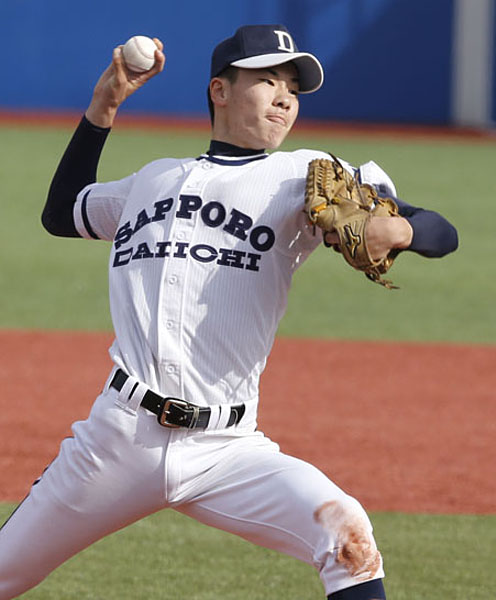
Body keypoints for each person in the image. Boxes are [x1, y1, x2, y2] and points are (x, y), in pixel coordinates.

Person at [0, 24, 458, 599]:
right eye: (268, 80)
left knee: (347, 535)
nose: (285, 97)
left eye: (293, 87)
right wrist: (103, 107)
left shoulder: (303, 174)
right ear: (220, 90)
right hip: (119, 438)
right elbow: (62, 212)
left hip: (228, 448)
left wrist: (402, 230)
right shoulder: (151, 180)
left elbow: (443, 232)